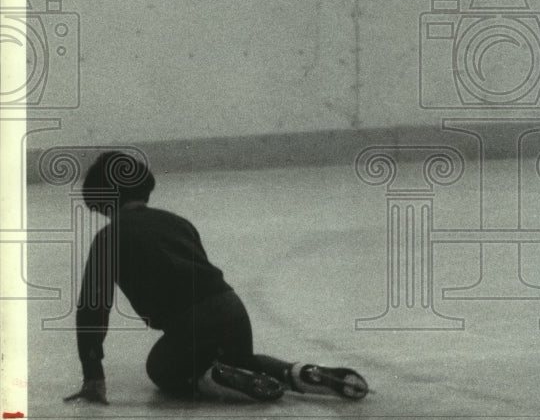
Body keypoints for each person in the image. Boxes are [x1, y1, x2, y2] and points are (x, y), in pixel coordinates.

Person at [63, 150, 369, 404]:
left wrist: (93, 374)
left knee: (161, 369)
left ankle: (216, 379)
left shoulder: (108, 238)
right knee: (242, 359)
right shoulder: (179, 223)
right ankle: (300, 372)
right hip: (232, 311)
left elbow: (93, 309)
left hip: (190, 326)